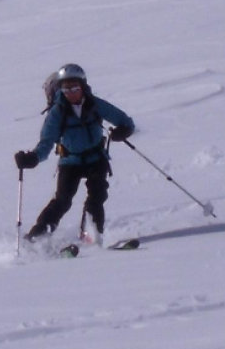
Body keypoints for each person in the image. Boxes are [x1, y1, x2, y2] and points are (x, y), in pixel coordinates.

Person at [14, 63, 135, 242]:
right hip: (70, 162)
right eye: (66, 89)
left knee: (97, 196)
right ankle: (36, 237)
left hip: (96, 159)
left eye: (75, 88)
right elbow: (46, 142)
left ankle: (90, 235)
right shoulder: (57, 112)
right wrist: (32, 158)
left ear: (83, 86)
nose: (71, 93)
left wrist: (123, 130)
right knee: (62, 200)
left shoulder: (95, 104)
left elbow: (124, 120)